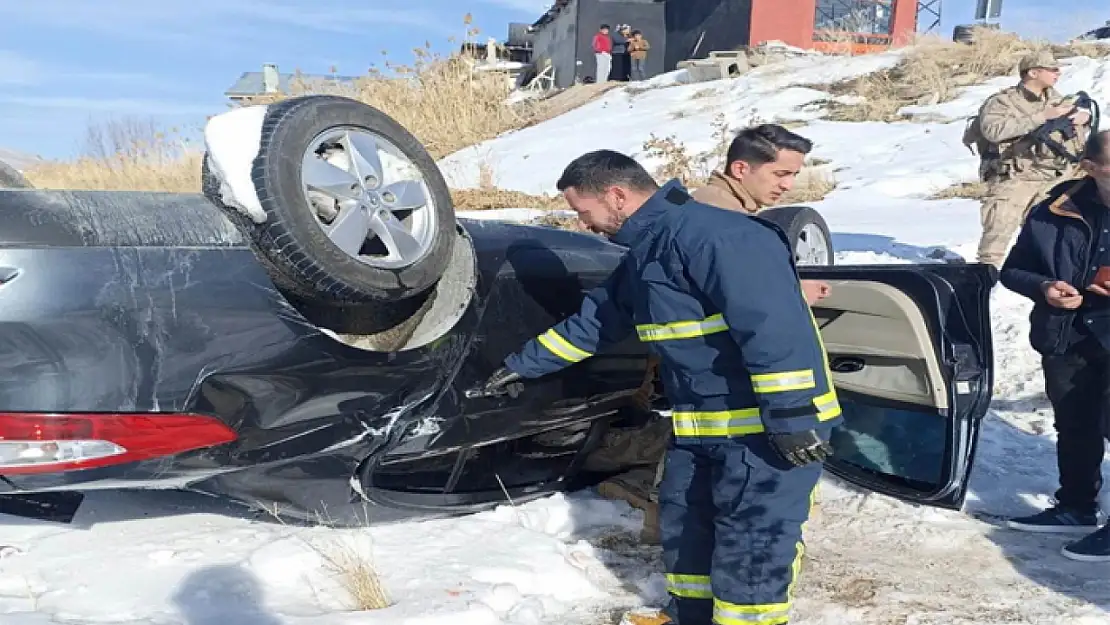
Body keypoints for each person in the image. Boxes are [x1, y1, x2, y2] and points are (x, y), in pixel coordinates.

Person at [477, 149, 843, 625]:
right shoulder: (646, 256)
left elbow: (775, 333)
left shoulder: (724, 238)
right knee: (686, 533)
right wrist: (520, 367)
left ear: (616, 196)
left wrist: (793, 418)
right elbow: (593, 326)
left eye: (583, 212)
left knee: (751, 548)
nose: (585, 225)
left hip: (766, 434)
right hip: (700, 431)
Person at [999, 129, 1110, 562]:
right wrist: (1045, 286)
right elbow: (1014, 269)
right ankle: (1076, 507)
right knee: (1075, 422)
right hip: (1067, 332)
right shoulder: (1053, 210)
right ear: (1091, 168)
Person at [966, 50, 1093, 269]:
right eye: (1051, 69)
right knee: (997, 235)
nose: (1057, 73)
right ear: (1033, 72)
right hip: (1016, 177)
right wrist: (1041, 117)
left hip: (1054, 178)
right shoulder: (1003, 102)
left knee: (1048, 235)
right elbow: (993, 131)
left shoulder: (1058, 100)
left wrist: (1083, 120)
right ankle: (983, 285)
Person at [692, 123, 831, 306]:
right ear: (741, 169)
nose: (787, 185)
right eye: (780, 174)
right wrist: (797, 295)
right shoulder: (726, 219)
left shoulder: (708, 203)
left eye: (793, 175)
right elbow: (746, 297)